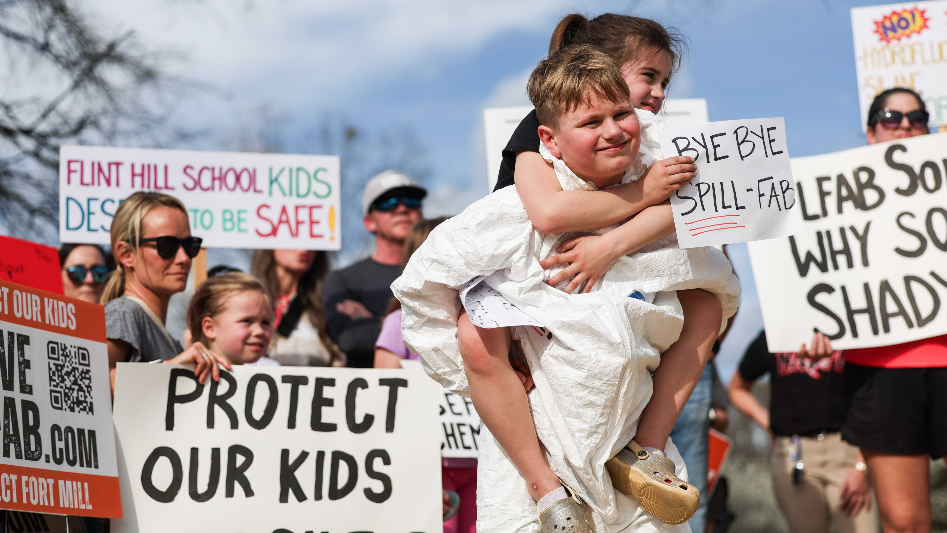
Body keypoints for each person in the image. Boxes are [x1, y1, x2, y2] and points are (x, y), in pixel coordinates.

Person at [393, 44, 739, 532]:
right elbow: (430, 277)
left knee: (705, 305)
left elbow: (716, 239)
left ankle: (649, 451)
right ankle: (546, 490)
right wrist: (476, 355)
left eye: (623, 114)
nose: (614, 130)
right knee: (474, 334)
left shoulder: (666, 180)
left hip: (627, 419)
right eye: (592, 123)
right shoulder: (522, 199)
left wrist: (628, 232)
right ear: (549, 141)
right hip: (548, 422)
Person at [842, 87, 942, 533]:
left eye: (917, 117)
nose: (904, 125)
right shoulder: (836, 198)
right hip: (881, 370)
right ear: (870, 131)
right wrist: (815, 325)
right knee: (905, 523)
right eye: (890, 117)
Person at [372, 217, 475, 533]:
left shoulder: (484, 315)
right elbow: (385, 396)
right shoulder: (397, 324)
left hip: (481, 461)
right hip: (429, 464)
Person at [729, 330, 877, 533]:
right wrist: (768, 422)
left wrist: (862, 465)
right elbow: (736, 388)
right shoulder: (774, 332)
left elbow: (875, 393)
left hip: (849, 452)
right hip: (793, 456)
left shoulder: (848, 328)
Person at [102, 191, 231, 388]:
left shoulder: (167, 336)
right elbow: (87, 381)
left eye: (189, 245)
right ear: (127, 255)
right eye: (167, 245)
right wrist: (169, 369)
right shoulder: (123, 313)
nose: (184, 258)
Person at [323, 170, 426, 368]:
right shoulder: (343, 279)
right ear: (369, 222)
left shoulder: (443, 274)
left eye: (411, 200)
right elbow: (350, 339)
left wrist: (377, 321)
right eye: (388, 203)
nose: (402, 209)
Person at [252, 250, 345, 367]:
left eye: (312, 241)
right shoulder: (241, 299)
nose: (305, 248)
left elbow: (339, 364)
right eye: (294, 236)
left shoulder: (330, 306)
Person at [186, 271, 280, 367]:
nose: (259, 331)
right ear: (210, 328)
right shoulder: (186, 376)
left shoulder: (272, 372)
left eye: (265, 322)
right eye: (246, 321)